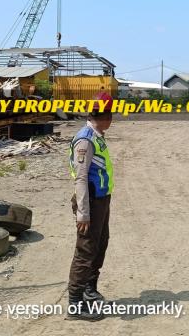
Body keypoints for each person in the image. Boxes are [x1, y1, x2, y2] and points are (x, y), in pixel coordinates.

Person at [66, 92, 115, 321]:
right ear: (104, 115)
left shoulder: (97, 135)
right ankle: (75, 304)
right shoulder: (85, 139)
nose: (113, 119)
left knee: (100, 244)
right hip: (91, 203)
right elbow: (81, 178)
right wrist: (83, 214)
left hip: (101, 200)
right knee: (85, 250)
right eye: (111, 114)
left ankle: (88, 288)